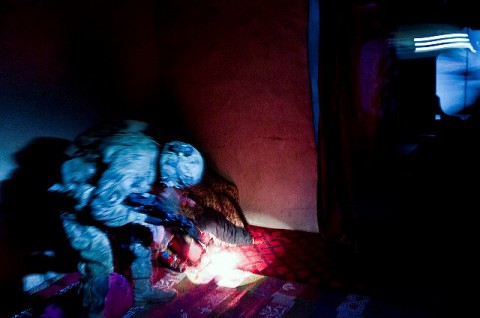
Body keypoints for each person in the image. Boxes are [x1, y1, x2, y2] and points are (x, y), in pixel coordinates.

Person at [50, 120, 205, 317]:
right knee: (100, 264)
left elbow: (135, 194)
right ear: (172, 167)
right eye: (178, 181)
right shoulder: (136, 160)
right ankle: (91, 313)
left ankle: (143, 293)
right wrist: (142, 216)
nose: (175, 186)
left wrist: (164, 217)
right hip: (78, 207)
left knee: (142, 238)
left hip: (105, 198)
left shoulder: (156, 156)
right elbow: (101, 209)